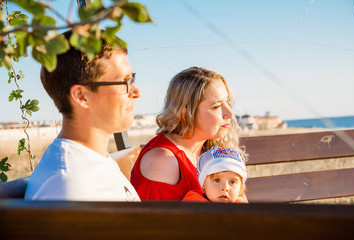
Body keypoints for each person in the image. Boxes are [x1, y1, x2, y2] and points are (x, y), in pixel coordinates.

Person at [25, 30, 141, 201]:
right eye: (125, 82)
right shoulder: (70, 185)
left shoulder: (92, 160)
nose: (137, 92)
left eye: (132, 79)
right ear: (81, 96)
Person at [131, 66, 246, 200]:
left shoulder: (211, 152)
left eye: (227, 102)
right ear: (185, 113)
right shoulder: (163, 161)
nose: (229, 114)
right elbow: (155, 220)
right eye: (216, 106)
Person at [183, 146, 248, 203]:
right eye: (217, 180)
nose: (225, 187)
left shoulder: (241, 208)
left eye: (232, 182)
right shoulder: (195, 203)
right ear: (203, 184)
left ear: (240, 188)